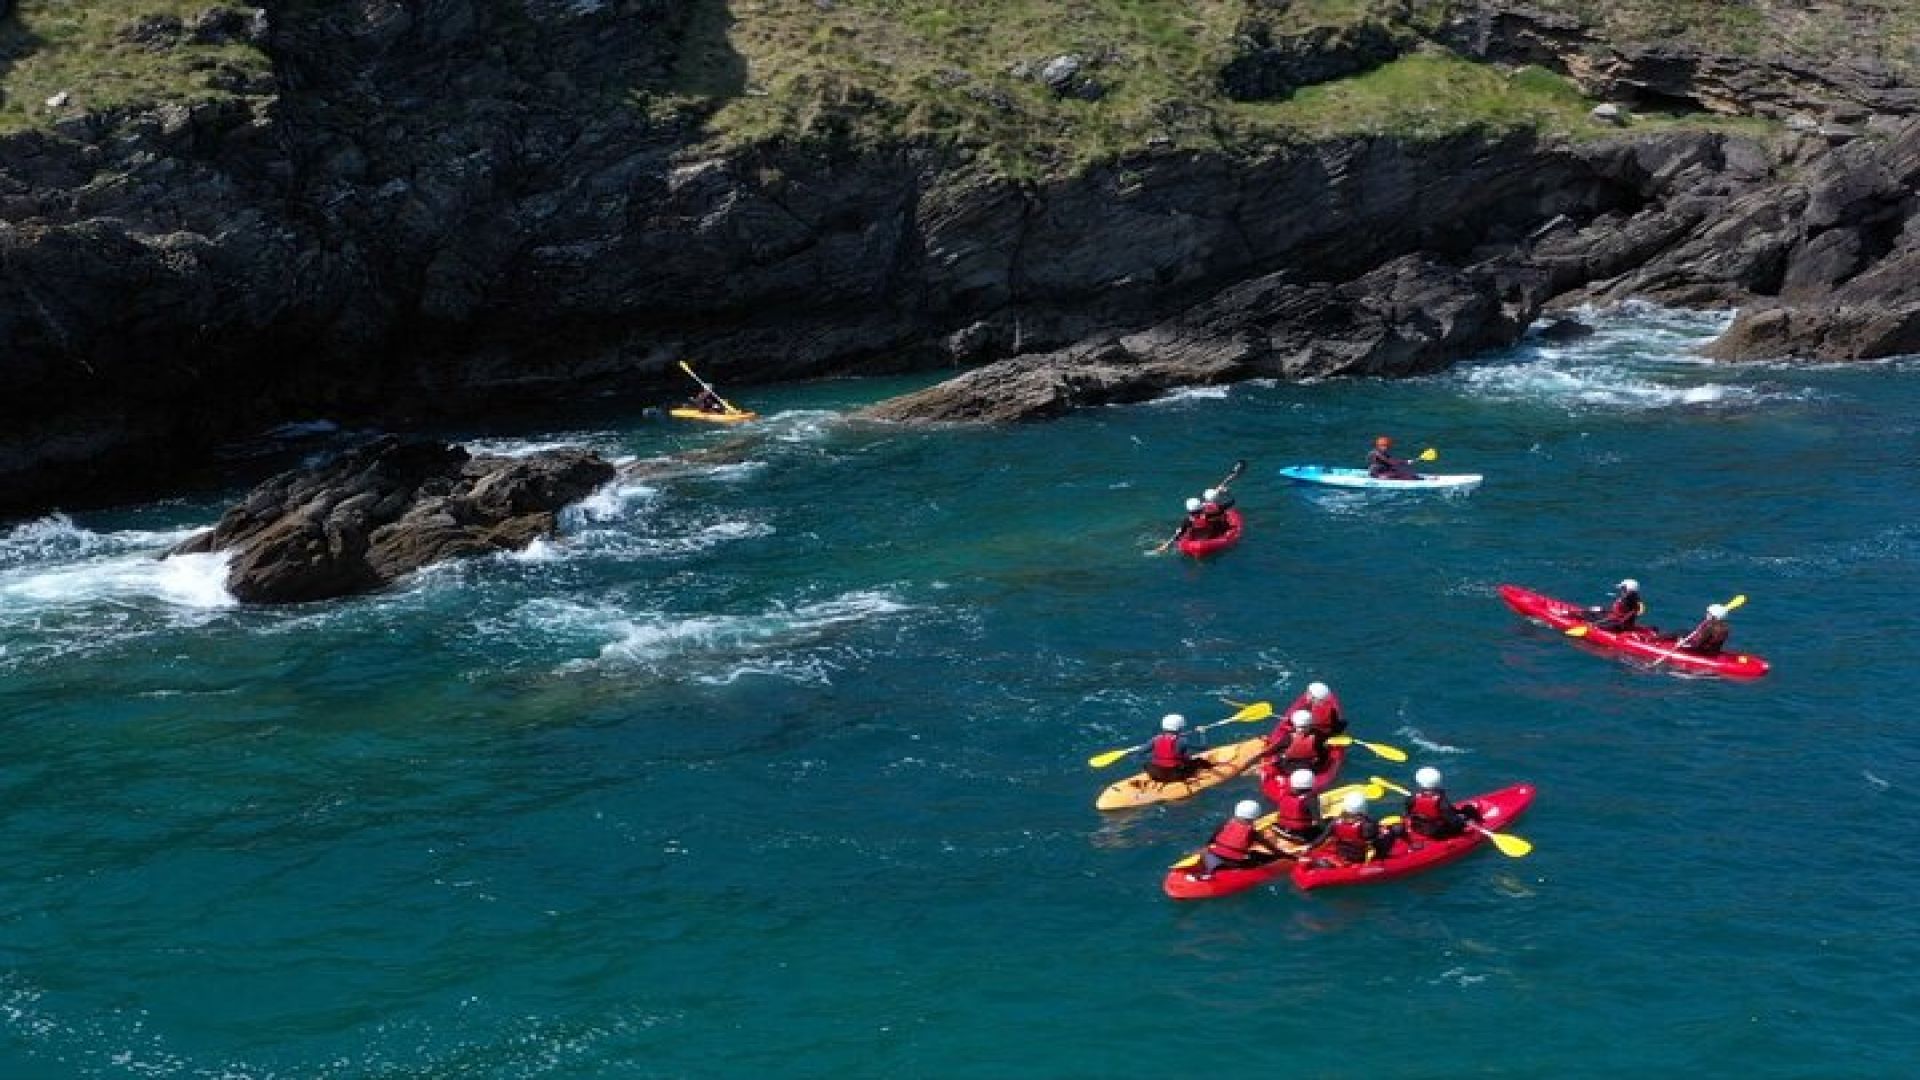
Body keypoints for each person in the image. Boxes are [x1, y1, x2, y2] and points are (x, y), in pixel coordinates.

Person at [1199, 799, 1284, 876]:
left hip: (1211, 857)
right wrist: (1286, 856)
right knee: (1257, 855)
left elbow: (1210, 841)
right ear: (1255, 816)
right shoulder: (1252, 833)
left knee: (1207, 851)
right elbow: (1272, 849)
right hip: (1231, 864)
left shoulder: (1224, 825)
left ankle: (1207, 870)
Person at [1402, 766, 1482, 841]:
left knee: (1462, 811)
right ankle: (1481, 822)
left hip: (1417, 827)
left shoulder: (1412, 797)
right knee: (1469, 809)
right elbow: (1454, 822)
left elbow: (1407, 813)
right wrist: (1465, 822)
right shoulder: (1441, 802)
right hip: (1438, 833)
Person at [1322, 791, 1391, 864]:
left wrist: (1310, 846)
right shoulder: (1367, 824)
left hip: (1342, 853)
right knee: (1389, 832)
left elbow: (1323, 836)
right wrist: (1383, 830)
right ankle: (1382, 859)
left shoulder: (1335, 822)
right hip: (1359, 857)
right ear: (1364, 807)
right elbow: (1373, 837)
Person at [1142, 713, 1209, 784]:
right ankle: (1210, 767)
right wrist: (1202, 733)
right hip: (1176, 775)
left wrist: (1154, 757)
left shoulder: (1154, 739)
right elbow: (1204, 747)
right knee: (1199, 761)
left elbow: (1140, 753)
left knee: (1148, 763)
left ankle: (1159, 773)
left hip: (1155, 775)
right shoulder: (1182, 741)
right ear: (1179, 728)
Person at [1271, 768, 1328, 844]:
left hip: (1282, 829)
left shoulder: (1285, 795)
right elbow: (1318, 820)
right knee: (1331, 822)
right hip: (1300, 835)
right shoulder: (1311, 799)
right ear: (1312, 782)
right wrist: (1327, 829)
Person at [1269, 709, 1326, 777]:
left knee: (1281, 751)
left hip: (1289, 769)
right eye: (1299, 727)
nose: (1301, 730)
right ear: (1311, 725)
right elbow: (1323, 753)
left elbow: (1275, 749)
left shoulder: (1289, 737)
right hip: (1310, 768)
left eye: (1303, 727)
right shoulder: (1318, 737)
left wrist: (1281, 756)